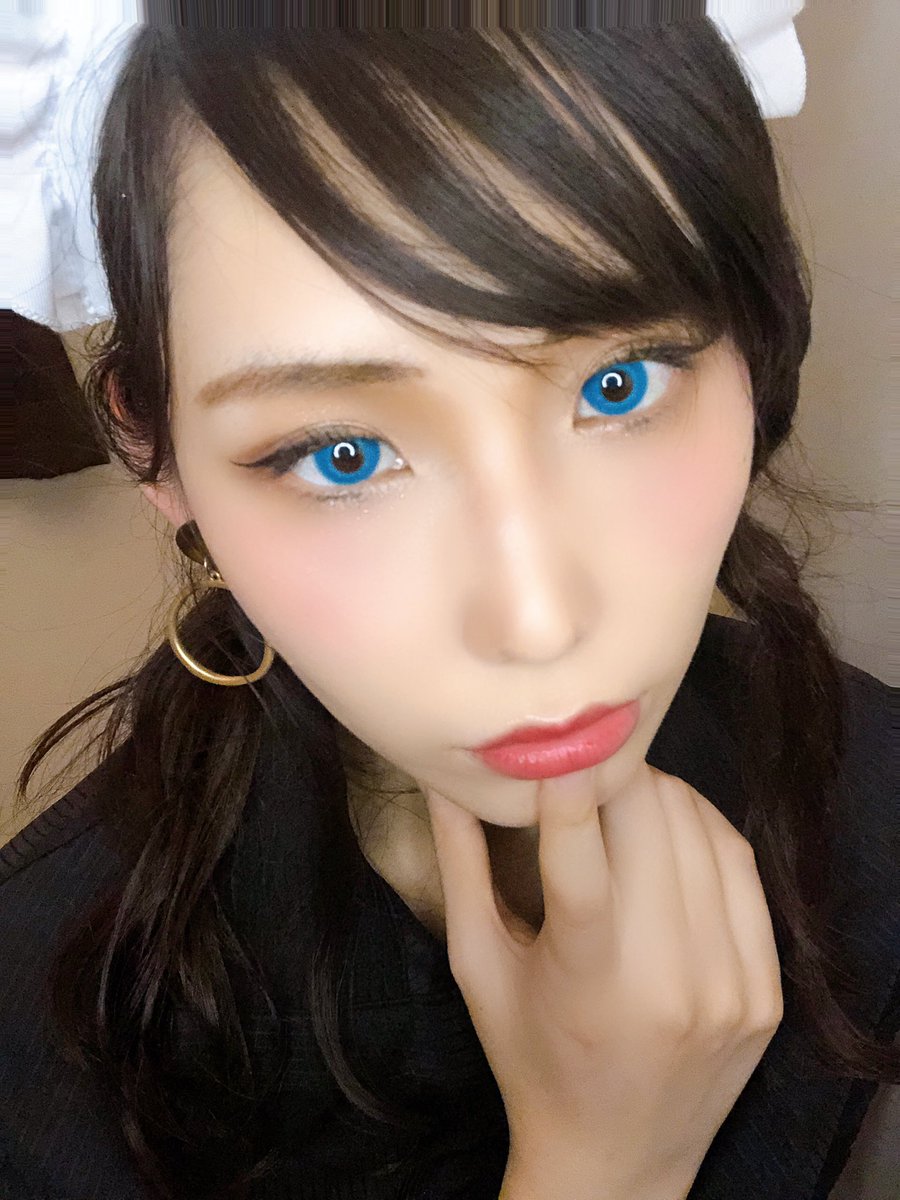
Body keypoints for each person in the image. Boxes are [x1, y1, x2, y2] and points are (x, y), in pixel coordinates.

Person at [2, 17, 897, 1200]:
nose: (537, 622)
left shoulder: (875, 779)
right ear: (154, 450)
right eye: (343, 454)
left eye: (617, 384)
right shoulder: (42, 1041)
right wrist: (604, 1168)